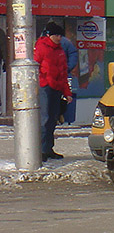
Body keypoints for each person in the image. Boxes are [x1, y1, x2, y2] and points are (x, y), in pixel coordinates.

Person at [33, 21, 73, 163]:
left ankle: (48, 149)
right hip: (45, 87)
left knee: (52, 119)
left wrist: (67, 92)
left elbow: (63, 73)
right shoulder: (41, 48)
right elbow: (35, 67)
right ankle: (42, 150)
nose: (59, 38)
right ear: (49, 35)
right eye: (56, 35)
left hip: (56, 88)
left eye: (60, 35)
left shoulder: (60, 50)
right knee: (44, 119)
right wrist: (40, 82)